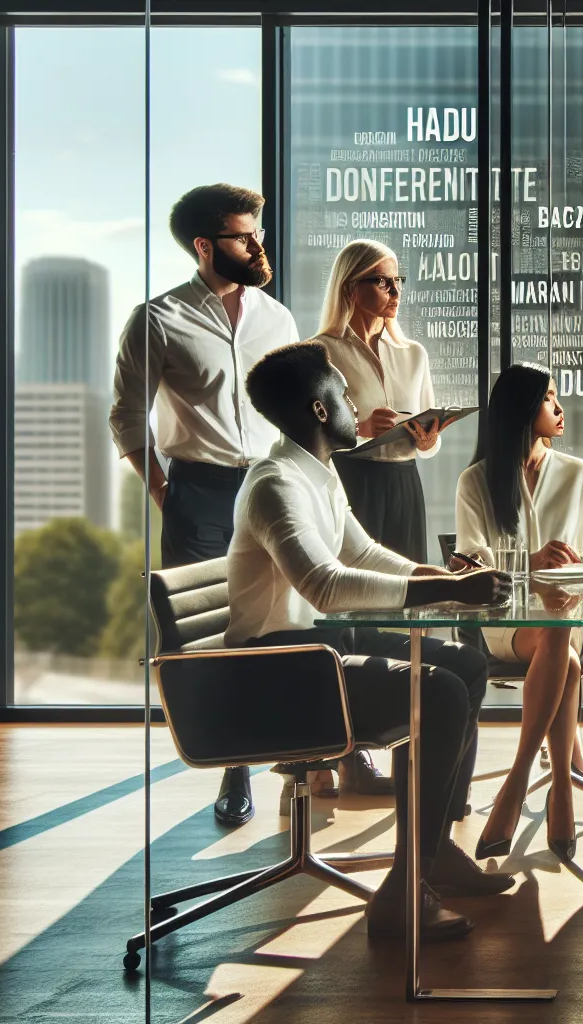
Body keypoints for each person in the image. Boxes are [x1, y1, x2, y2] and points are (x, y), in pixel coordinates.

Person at [225, 341, 515, 942]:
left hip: (318, 652)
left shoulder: (319, 470)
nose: (355, 402)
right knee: (438, 696)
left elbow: (359, 551)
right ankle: (405, 887)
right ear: (318, 408)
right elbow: (325, 585)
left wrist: (443, 580)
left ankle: (432, 853)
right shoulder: (275, 484)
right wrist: (455, 596)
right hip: (279, 669)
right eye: (344, 393)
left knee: (465, 665)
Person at [109, 183, 301, 828]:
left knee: (282, 619)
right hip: (200, 490)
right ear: (205, 246)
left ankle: (301, 751)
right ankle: (235, 768)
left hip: (274, 487)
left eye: (258, 234)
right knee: (215, 635)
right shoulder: (158, 319)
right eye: (245, 237)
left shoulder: (278, 319)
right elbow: (127, 416)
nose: (259, 245)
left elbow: (297, 409)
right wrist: (167, 494)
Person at [455, 364, 583, 862]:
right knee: (565, 649)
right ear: (521, 410)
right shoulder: (476, 482)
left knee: (561, 624)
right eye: (549, 399)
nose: (560, 409)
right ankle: (556, 785)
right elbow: (472, 566)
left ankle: (520, 787)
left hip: (568, 614)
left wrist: (570, 575)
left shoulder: (578, 474)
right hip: (506, 624)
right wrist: (529, 566)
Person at [315, 239, 445, 564]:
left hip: (406, 481)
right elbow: (308, 437)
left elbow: (431, 441)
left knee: (409, 585)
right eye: (382, 281)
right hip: (352, 481)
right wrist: (360, 428)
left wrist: (429, 440)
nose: (395, 292)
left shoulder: (414, 354)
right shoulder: (320, 352)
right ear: (350, 287)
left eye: (397, 281)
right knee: (355, 583)